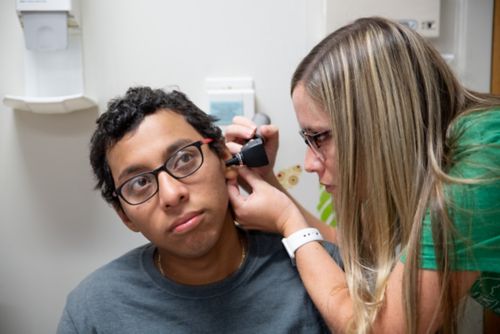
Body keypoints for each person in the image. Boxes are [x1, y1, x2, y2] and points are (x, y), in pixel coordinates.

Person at [225, 17, 500, 333]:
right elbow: (351, 250)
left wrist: (289, 222)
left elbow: (376, 330)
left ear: (379, 122)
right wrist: (270, 185)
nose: (309, 163)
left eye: (320, 137)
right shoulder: (440, 154)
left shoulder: (477, 171)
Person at [56, 86, 342, 333]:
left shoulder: (321, 272)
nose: (172, 194)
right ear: (125, 216)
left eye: (184, 159)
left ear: (224, 160)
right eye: (140, 183)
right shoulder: (91, 312)